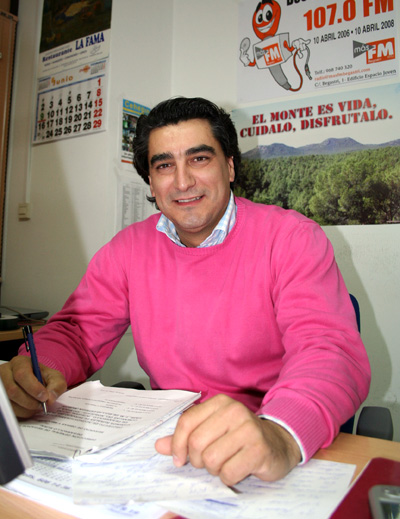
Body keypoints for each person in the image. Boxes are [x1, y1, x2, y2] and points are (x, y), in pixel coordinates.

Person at [0, 97, 370, 486]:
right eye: (164, 166)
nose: (182, 182)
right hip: (167, 449)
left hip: (262, 436)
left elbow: (329, 350)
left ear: (229, 166)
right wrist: (37, 370)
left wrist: (280, 432)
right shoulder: (128, 249)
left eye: (199, 159)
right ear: (150, 181)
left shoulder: (291, 238)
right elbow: (77, 331)